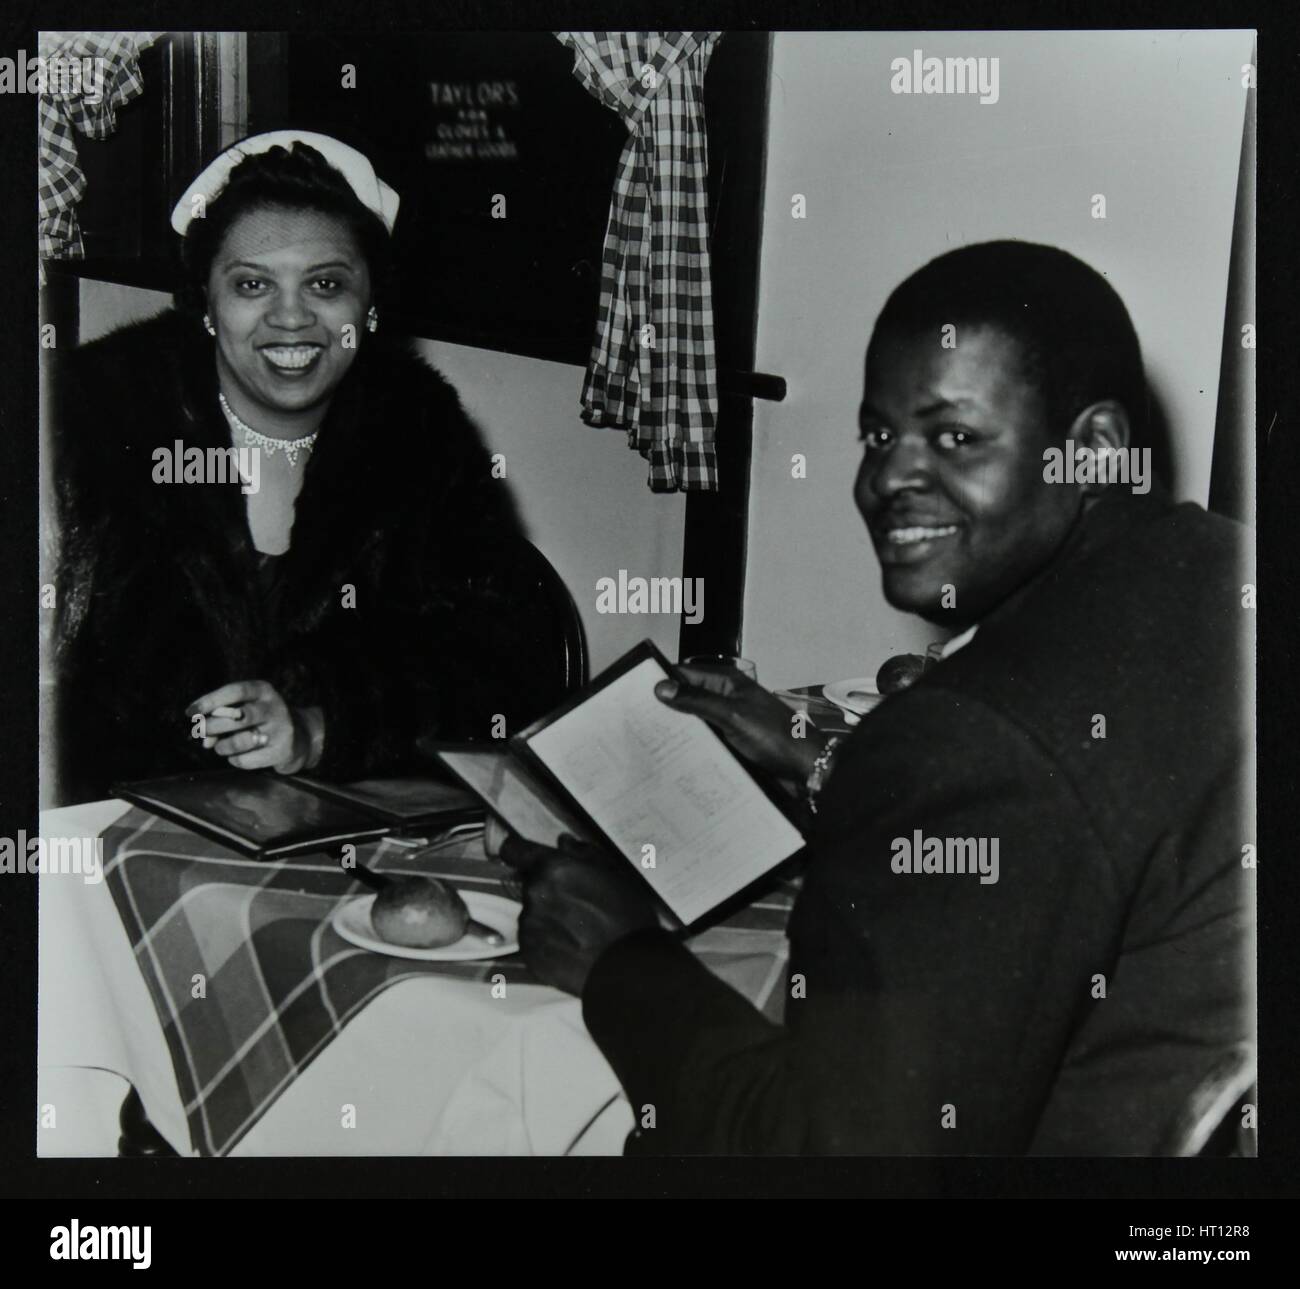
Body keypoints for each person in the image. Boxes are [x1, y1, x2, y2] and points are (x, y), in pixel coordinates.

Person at [503, 241, 1255, 1154]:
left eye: (954, 437)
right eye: (877, 434)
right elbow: (1074, 822)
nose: (886, 478)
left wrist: (620, 959)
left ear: (1091, 451)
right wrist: (831, 763)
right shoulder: (1224, 577)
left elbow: (832, 1154)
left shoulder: (966, 737)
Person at [52, 132, 567, 803]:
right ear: (205, 302)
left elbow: (501, 680)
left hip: (345, 831)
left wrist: (320, 730)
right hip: (108, 828)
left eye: (326, 283)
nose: (291, 318)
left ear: (371, 303)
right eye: (252, 284)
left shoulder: (421, 434)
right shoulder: (89, 416)